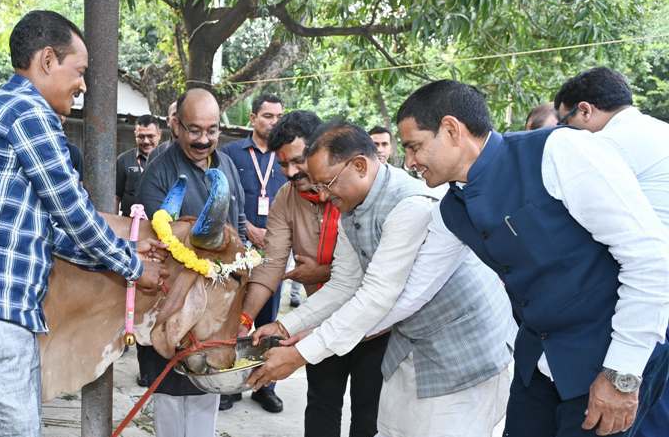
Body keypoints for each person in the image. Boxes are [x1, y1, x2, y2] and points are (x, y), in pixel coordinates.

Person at [0, 11, 168, 437]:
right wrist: (134, 268)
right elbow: (73, 212)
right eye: (79, 71)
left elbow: (51, 233)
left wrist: (127, 252)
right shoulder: (27, 112)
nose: (83, 85)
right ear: (47, 60)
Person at [397, 79, 669, 437]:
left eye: (414, 147)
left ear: (451, 130)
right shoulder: (450, 209)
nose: (409, 162)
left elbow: (650, 259)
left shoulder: (558, 151)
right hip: (537, 363)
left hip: (608, 358)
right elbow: (414, 287)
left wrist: (622, 374)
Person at [249, 121, 516, 437]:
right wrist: (285, 326)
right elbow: (345, 284)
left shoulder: (410, 205)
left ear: (359, 166)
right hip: (411, 348)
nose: (321, 193)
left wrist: (301, 352)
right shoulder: (351, 206)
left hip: (462, 355)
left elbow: (376, 295)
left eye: (327, 183)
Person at [240, 111, 387, 437]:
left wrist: (320, 270)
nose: (291, 173)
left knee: (369, 411)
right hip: (317, 316)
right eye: (283, 165)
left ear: (321, 149)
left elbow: (376, 276)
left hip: (374, 323)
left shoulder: (359, 193)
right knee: (321, 402)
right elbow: (272, 263)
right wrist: (245, 319)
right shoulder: (286, 198)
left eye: (298, 161)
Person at [554, 66, 669, 437]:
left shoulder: (604, 146)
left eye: (565, 122)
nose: (564, 135)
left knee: (637, 417)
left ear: (585, 110)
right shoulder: (659, 131)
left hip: (651, 295)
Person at [136, 87, 247, 437]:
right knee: (170, 394)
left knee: (206, 388)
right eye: (194, 130)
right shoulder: (160, 169)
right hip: (172, 299)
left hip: (216, 302)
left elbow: (237, 227)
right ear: (176, 126)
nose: (203, 140)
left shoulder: (225, 163)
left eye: (211, 130)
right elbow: (157, 241)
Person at [220, 93, 286, 412]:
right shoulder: (231, 153)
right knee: (234, 314)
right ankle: (230, 384)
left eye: (278, 117)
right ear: (253, 118)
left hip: (274, 251)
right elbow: (224, 198)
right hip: (238, 247)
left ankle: (264, 385)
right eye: (268, 116)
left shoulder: (285, 157)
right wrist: (246, 228)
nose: (273, 123)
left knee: (268, 318)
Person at [116, 114, 161, 215]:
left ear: (159, 135)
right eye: (141, 136)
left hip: (158, 225)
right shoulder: (123, 160)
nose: (146, 141)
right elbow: (116, 196)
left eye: (150, 136)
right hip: (128, 224)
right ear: (135, 135)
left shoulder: (167, 160)